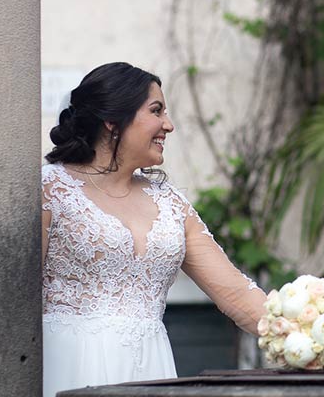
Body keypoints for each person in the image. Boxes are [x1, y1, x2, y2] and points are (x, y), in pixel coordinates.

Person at [41, 62, 268, 396]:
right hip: (70, 364)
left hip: (150, 370)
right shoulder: (50, 190)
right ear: (112, 121)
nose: (168, 125)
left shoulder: (170, 203)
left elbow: (237, 293)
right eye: (156, 111)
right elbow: (13, 299)